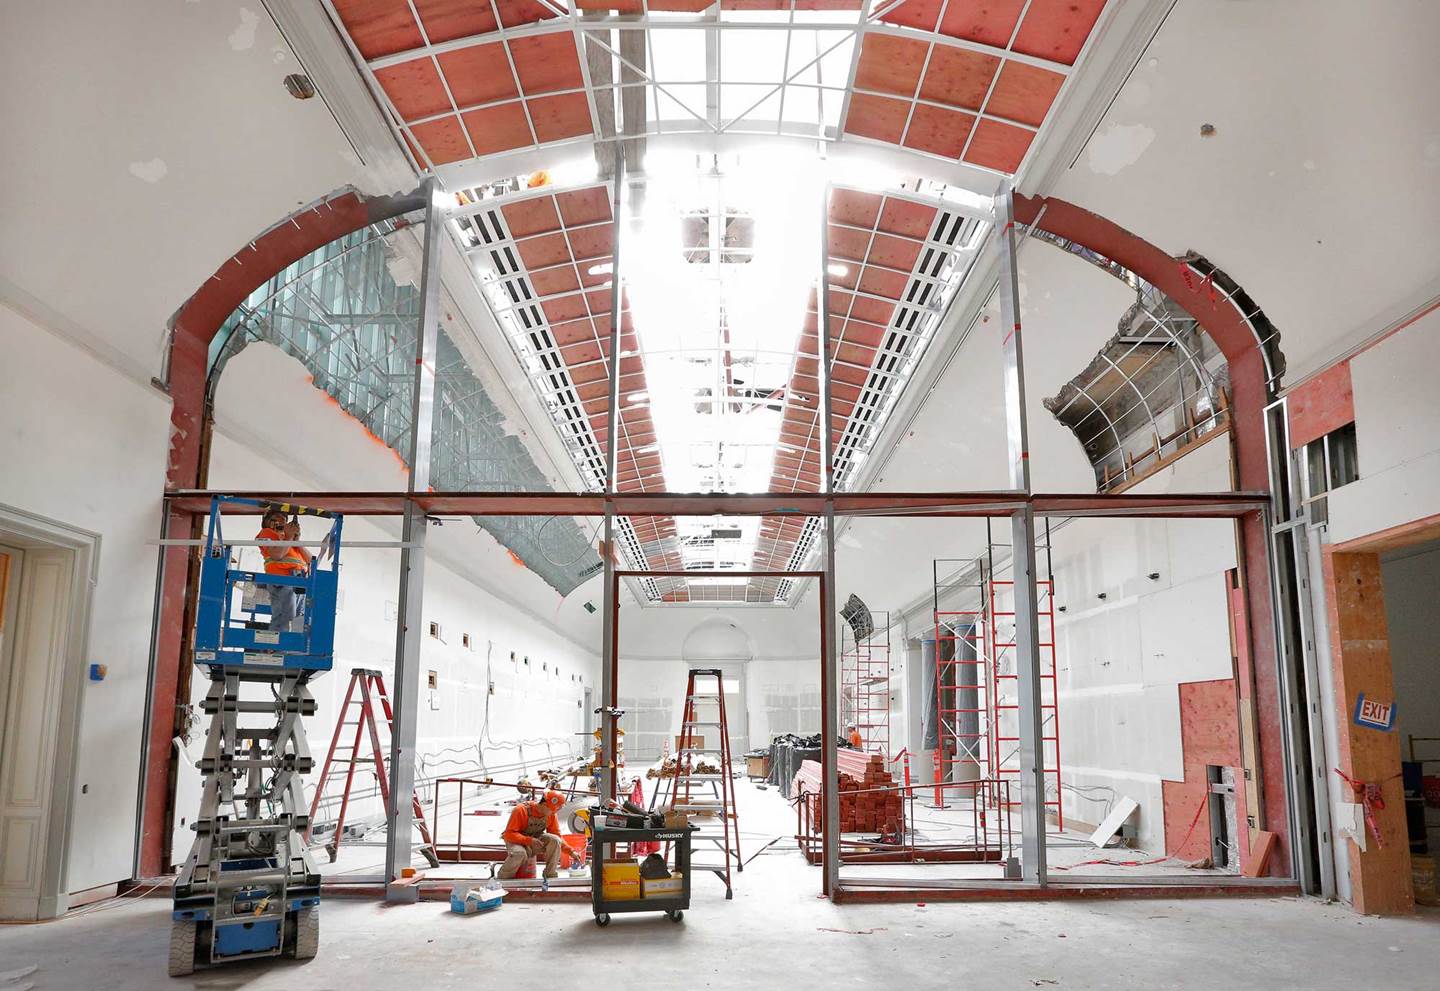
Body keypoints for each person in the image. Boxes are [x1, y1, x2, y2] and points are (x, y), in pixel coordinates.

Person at [255, 510, 311, 633]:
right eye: (276, 518)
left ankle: (293, 647)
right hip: (281, 580)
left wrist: (296, 542)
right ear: (266, 521)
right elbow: (277, 555)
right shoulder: (266, 533)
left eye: (283, 520)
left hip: (299, 581)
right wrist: (289, 537)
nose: (280, 521)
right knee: (284, 618)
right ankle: (275, 648)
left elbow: (310, 560)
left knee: (298, 618)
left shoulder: (286, 539)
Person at [498, 790, 565, 880]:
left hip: (535, 839)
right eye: (553, 810)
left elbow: (557, 835)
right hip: (516, 841)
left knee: (555, 840)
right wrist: (529, 840)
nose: (554, 813)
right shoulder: (521, 810)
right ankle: (503, 878)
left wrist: (572, 852)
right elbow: (509, 834)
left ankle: (550, 875)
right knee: (519, 853)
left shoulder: (551, 814)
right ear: (544, 805)